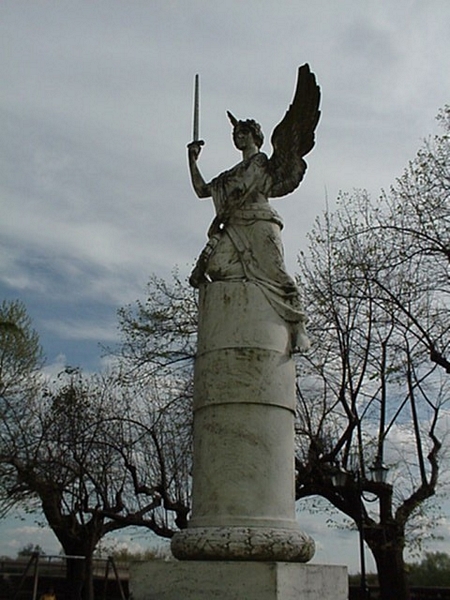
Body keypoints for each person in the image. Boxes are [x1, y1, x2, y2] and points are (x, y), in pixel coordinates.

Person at [187, 114, 310, 352]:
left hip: (260, 221)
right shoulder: (231, 173)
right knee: (216, 267)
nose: (237, 137)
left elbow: (242, 190)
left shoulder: (261, 163)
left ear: (255, 136)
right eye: (235, 134)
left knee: (277, 273)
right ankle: (246, 309)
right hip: (235, 225)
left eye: (242, 133)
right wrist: (192, 161)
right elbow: (202, 190)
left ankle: (298, 327)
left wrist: (226, 211)